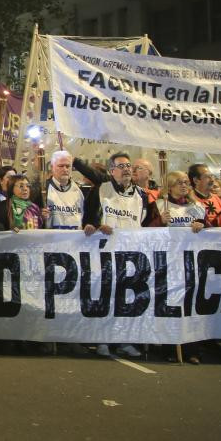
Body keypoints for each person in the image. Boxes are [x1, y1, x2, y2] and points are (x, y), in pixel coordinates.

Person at [76, 152, 149, 359]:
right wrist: (98, 225)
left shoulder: (141, 195)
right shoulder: (102, 190)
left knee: (127, 298)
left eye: (129, 165)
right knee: (106, 295)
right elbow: (88, 220)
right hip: (105, 252)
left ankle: (125, 340)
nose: (127, 169)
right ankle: (103, 339)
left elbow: (145, 221)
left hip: (131, 253)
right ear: (111, 171)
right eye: (121, 166)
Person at [153, 170, 207, 364]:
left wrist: (202, 225)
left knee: (190, 305)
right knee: (170, 305)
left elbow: (209, 231)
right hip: (168, 261)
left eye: (186, 182)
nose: (184, 186)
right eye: (179, 183)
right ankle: (169, 347)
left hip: (190, 262)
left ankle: (192, 348)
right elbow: (145, 231)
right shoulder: (160, 205)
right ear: (169, 186)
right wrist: (160, 221)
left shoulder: (197, 208)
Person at [43, 151, 89, 230]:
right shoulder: (43, 189)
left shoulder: (81, 190)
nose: (65, 169)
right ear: (52, 167)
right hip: (51, 240)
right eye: (61, 166)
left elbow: (87, 218)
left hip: (75, 240)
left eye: (68, 166)